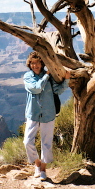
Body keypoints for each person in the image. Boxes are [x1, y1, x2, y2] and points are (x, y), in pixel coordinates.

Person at [23, 51, 70, 180]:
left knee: (46, 143)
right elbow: (36, 89)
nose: (35, 65)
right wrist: (46, 76)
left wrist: (66, 80)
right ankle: (37, 164)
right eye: (32, 63)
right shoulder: (28, 77)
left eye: (37, 62)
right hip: (33, 114)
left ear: (42, 63)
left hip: (48, 114)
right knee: (27, 141)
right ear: (29, 64)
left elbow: (58, 90)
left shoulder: (50, 77)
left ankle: (43, 170)